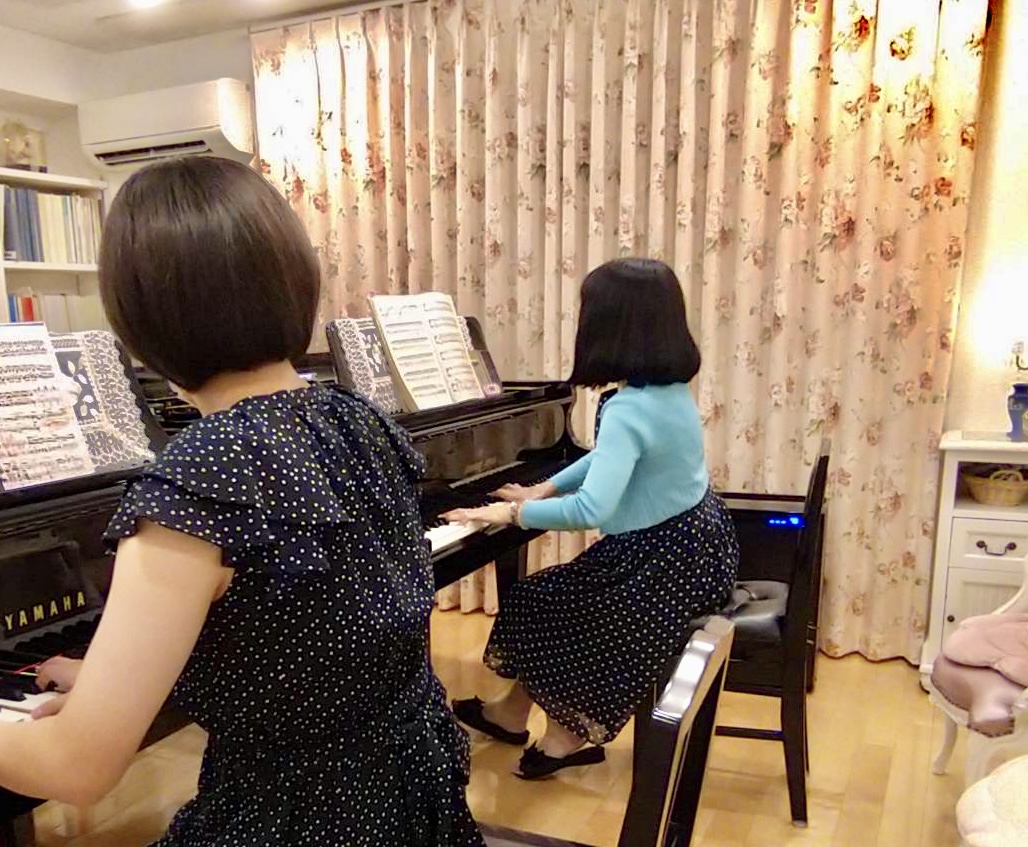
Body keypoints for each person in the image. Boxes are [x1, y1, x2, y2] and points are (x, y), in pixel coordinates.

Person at [4, 157, 483, 846]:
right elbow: (303, 639)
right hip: (410, 795)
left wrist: (83, 725)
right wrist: (115, 678)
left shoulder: (195, 478)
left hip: (296, 822)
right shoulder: (358, 419)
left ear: (141, 316)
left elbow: (76, 767)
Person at [443, 258, 738, 780]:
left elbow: (591, 509)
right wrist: (545, 487)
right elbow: (606, 456)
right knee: (544, 603)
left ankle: (568, 735)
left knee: (544, 604)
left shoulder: (629, 408)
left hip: (663, 562)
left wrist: (511, 511)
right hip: (698, 546)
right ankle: (510, 714)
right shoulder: (662, 392)